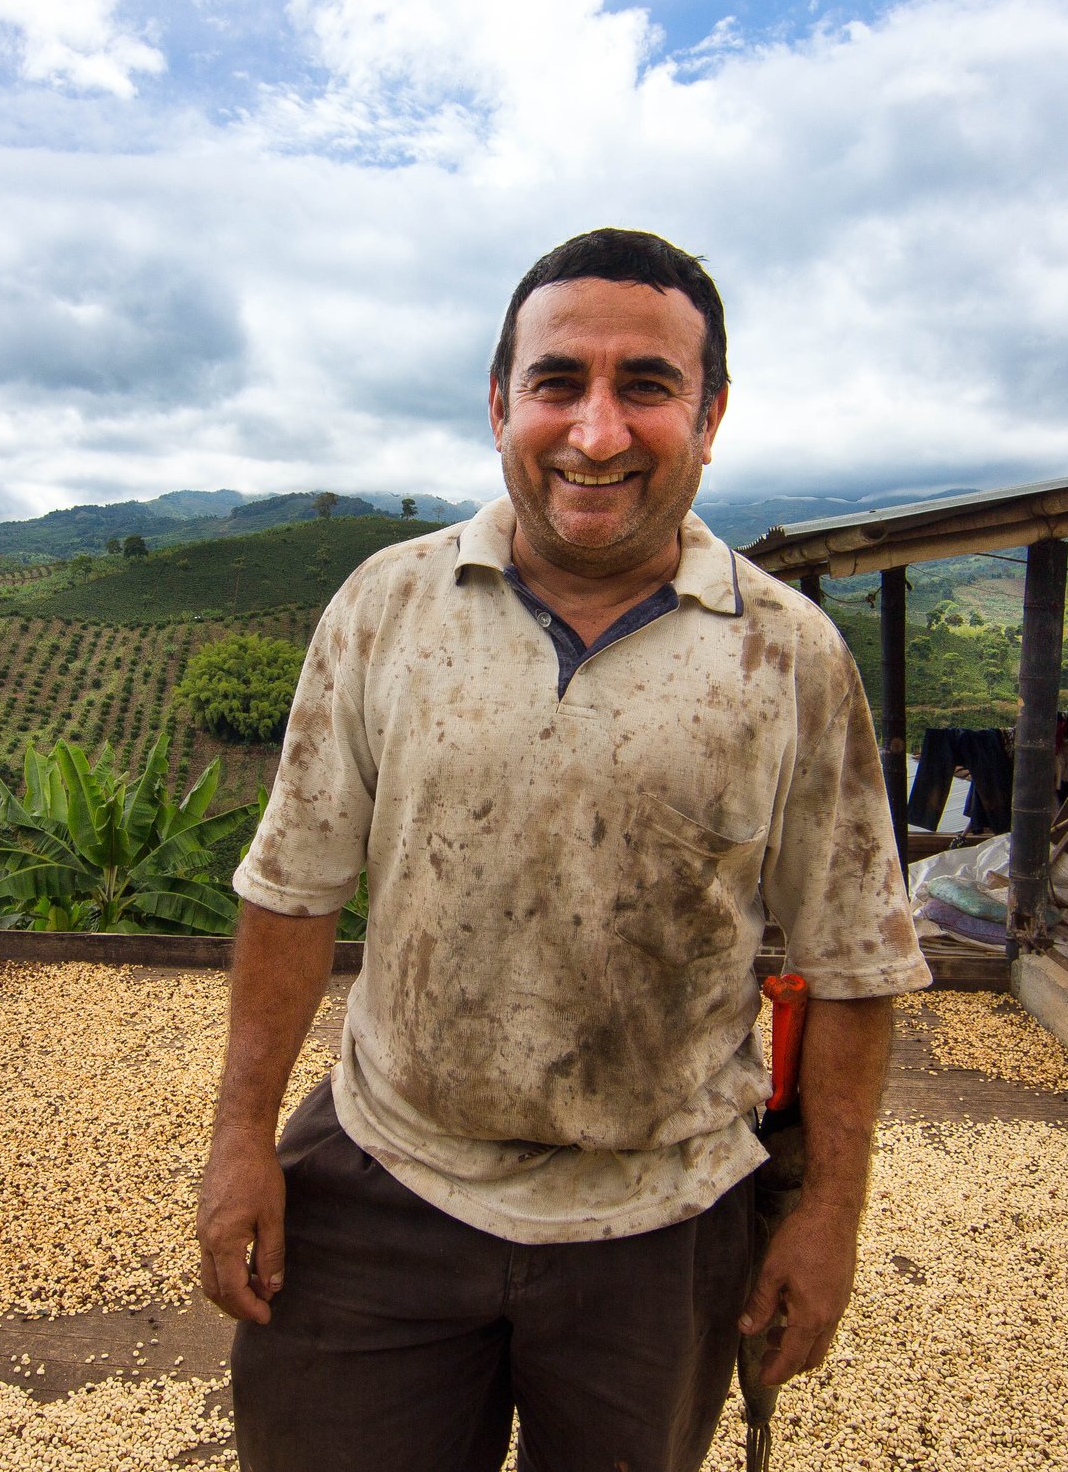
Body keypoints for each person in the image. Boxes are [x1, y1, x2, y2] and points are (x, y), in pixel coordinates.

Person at [197, 227, 929, 1472]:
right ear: (499, 404)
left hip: (665, 1219)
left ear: (710, 416)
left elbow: (856, 961)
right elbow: (293, 890)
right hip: (385, 1184)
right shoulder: (387, 607)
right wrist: (240, 1142)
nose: (596, 432)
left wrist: (825, 1217)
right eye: (557, 384)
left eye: (646, 385)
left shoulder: (786, 657)